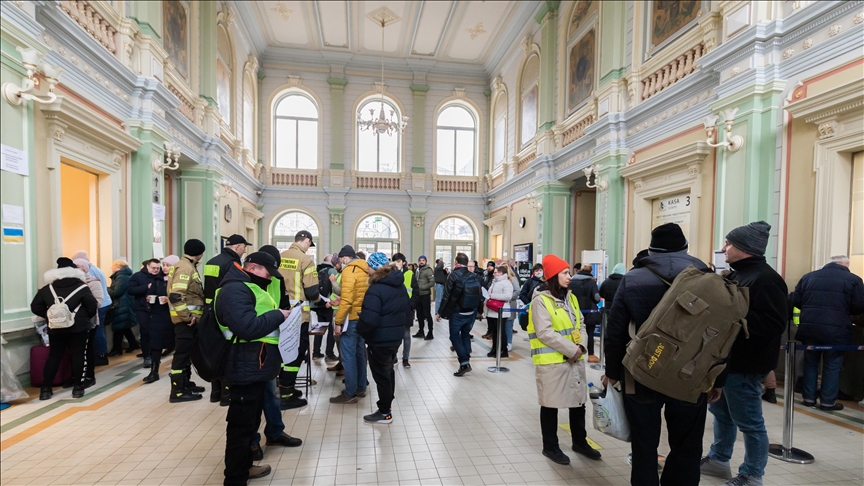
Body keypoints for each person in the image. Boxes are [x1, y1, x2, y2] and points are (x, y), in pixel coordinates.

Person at [605, 223, 722, 485]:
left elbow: (616, 331)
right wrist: (718, 379)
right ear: (685, 247)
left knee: (644, 446)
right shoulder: (706, 277)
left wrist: (612, 372)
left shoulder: (633, 278)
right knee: (687, 445)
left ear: (652, 248)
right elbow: (723, 333)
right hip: (690, 374)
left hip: (642, 371)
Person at [700, 221, 788, 486]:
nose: (723, 248)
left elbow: (774, 323)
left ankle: (752, 474)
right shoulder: (738, 275)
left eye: (728, 243)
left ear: (745, 248)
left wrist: (734, 314)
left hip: (747, 363)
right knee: (722, 413)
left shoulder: (766, 279)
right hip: (728, 362)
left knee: (749, 421)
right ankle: (718, 459)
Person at [215, 251, 302, 486]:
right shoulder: (235, 289)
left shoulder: (247, 286)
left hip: (253, 364)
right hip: (244, 365)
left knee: (250, 421)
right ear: (252, 268)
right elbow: (248, 328)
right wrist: (278, 315)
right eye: (267, 272)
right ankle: (235, 479)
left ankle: (244, 469)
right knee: (241, 426)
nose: (270, 277)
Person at [529, 254, 601, 465]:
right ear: (553, 275)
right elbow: (545, 332)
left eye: (569, 272)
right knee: (550, 405)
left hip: (574, 359)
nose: (570, 276)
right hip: (552, 362)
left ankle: (580, 441)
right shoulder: (541, 301)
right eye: (565, 273)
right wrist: (572, 350)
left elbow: (580, 324)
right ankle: (550, 446)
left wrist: (581, 346)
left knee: (578, 402)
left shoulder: (571, 298)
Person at [793, 255, 864, 411]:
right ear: (846, 265)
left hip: (809, 328)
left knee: (810, 363)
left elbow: (796, 300)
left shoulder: (808, 277)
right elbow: (858, 306)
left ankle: (808, 399)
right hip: (837, 330)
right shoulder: (854, 279)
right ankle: (827, 402)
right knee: (832, 365)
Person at [31, 258, 98, 400]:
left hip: (56, 328)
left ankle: (46, 390)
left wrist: (50, 316)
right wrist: (80, 317)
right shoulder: (81, 287)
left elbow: (35, 306)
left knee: (54, 357)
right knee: (79, 356)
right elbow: (92, 306)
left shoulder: (47, 288)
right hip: (78, 328)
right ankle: (78, 389)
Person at [358, 252, 410, 424]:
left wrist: (360, 328)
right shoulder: (399, 285)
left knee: (381, 375)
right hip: (395, 337)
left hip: (379, 339)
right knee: (388, 372)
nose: (366, 269)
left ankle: (384, 412)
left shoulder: (376, 289)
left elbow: (370, 319)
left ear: (376, 268)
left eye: (369, 266)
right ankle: (387, 407)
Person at [277, 230, 323, 410]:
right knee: (296, 351)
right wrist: (321, 301)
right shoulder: (306, 260)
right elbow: (312, 292)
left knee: (282, 349)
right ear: (307, 242)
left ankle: (283, 386)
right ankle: (287, 393)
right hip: (299, 314)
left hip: (280, 312)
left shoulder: (280, 257)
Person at [203, 234, 250, 404]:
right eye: (244, 247)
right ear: (237, 246)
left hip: (209, 311)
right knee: (229, 351)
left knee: (215, 350)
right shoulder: (233, 264)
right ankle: (227, 394)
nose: (245, 251)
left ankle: (215, 392)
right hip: (225, 311)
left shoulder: (211, 262)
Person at [166, 239, 207, 403]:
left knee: (187, 353)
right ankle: (177, 391)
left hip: (189, 321)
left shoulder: (186, 265)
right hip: (185, 321)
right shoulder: (185, 267)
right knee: (181, 355)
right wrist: (187, 317)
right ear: (199, 252)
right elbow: (176, 296)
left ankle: (186, 383)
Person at [331, 245, 369, 404]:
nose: (341, 262)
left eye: (341, 259)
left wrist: (338, 322)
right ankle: (361, 387)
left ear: (345, 257)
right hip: (363, 317)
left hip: (351, 319)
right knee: (360, 353)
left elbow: (346, 300)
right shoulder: (366, 269)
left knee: (348, 356)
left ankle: (350, 392)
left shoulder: (349, 271)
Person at [437, 252, 480, 376]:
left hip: (458, 312)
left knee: (454, 336)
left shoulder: (453, 275)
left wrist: (440, 312)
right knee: (465, 334)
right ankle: (466, 360)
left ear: (456, 262)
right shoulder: (473, 276)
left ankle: (464, 362)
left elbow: (447, 295)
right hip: (471, 311)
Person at [71, 250, 111, 366]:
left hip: (99, 304)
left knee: (97, 330)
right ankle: (101, 353)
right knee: (99, 330)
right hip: (104, 302)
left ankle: (101, 355)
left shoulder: (90, 271)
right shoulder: (96, 268)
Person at [142, 257, 175, 384]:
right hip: (158, 315)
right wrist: (149, 297)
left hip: (173, 315)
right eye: (164, 265)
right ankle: (154, 371)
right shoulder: (158, 280)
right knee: (155, 343)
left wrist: (169, 299)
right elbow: (151, 293)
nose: (165, 268)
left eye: (168, 265)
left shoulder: (177, 279)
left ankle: (180, 372)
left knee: (176, 343)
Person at [73, 258, 103, 388]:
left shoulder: (93, 282)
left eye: (78, 266)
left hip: (89, 320)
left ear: (84, 268)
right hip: (74, 322)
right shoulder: (72, 282)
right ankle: (76, 376)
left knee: (88, 349)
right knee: (76, 350)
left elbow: (98, 302)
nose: (75, 268)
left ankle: (89, 376)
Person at [127, 259, 162, 368]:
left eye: (157, 268)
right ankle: (147, 355)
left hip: (157, 308)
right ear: (147, 266)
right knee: (145, 331)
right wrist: (146, 287)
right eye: (153, 268)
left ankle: (155, 355)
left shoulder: (161, 276)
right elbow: (130, 290)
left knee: (155, 332)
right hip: (142, 308)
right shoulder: (138, 276)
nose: (156, 270)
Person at [568, 264, 601, 363]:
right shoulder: (591, 282)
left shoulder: (572, 280)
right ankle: (591, 355)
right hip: (589, 312)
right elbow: (596, 298)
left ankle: (573, 352)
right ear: (590, 271)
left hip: (574, 310)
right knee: (589, 333)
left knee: (575, 331)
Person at [106, 260, 139, 357]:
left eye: (112, 266)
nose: (111, 268)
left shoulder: (121, 277)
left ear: (118, 267)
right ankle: (133, 344)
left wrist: (105, 288)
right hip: (124, 304)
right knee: (124, 327)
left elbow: (116, 292)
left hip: (121, 304)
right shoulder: (124, 275)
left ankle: (117, 349)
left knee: (119, 327)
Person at [312, 253, 338, 360]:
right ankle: (329, 354)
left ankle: (316, 352)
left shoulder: (316, 270)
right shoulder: (332, 271)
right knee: (331, 330)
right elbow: (335, 289)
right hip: (329, 305)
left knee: (320, 328)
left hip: (318, 303)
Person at [484, 266, 513, 358]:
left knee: (500, 332)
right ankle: (495, 348)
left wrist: (492, 296)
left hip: (501, 311)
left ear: (501, 273)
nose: (494, 274)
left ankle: (503, 350)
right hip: (491, 311)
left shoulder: (506, 283)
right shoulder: (494, 282)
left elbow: (508, 296)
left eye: (495, 272)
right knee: (494, 332)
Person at [392, 253, 414, 367]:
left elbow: (415, 290)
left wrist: (411, 305)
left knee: (406, 335)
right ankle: (394, 357)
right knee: (394, 335)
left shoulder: (409, 273)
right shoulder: (390, 274)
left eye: (399, 261)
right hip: (394, 309)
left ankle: (405, 359)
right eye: (395, 261)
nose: (397, 263)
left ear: (404, 262)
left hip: (406, 309)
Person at [413, 255, 435, 340]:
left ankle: (430, 332)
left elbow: (432, 282)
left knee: (427, 314)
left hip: (425, 295)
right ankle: (421, 331)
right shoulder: (417, 270)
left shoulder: (428, 270)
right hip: (418, 295)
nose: (421, 261)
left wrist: (421, 287)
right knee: (419, 314)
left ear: (425, 261)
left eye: (423, 260)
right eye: (420, 260)